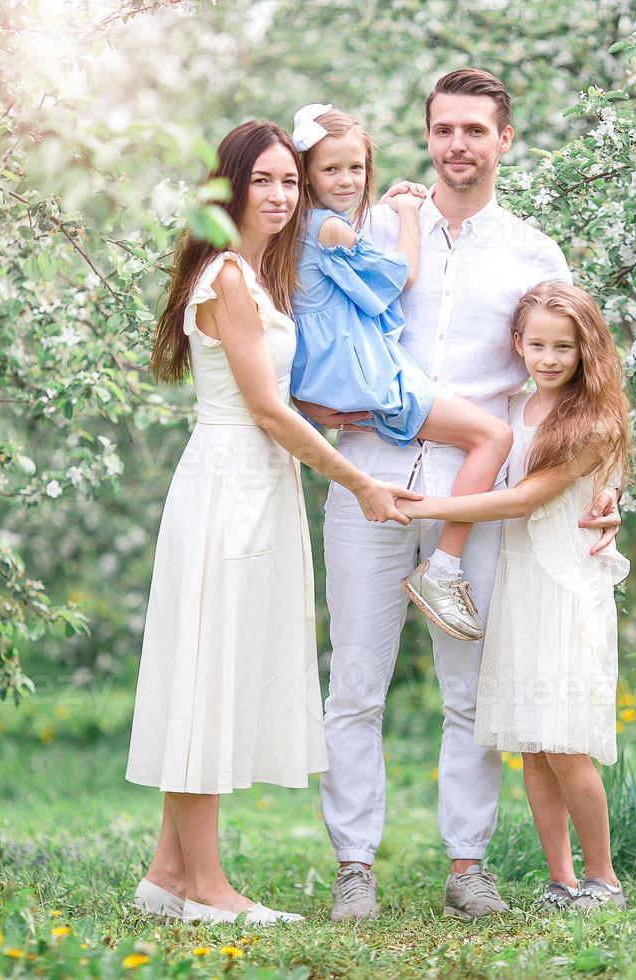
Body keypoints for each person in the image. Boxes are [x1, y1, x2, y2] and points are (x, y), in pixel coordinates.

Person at [295, 69, 622, 922]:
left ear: (504, 140)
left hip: (475, 498)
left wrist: (610, 483)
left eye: (476, 130)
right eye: (444, 130)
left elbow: (585, 385)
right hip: (367, 479)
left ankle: (468, 865)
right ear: (427, 136)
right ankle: (354, 866)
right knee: (355, 684)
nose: (459, 146)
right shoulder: (363, 230)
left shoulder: (534, 254)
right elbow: (309, 332)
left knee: (471, 692)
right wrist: (306, 405)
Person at [124, 121, 420, 927]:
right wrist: (359, 480)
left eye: (291, 181)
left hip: (257, 480)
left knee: (218, 663)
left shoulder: (257, 278)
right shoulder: (227, 275)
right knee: (208, 674)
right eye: (265, 181)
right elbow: (262, 408)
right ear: (229, 190)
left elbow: (279, 395)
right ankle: (206, 889)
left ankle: (165, 874)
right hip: (229, 483)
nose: (283, 196)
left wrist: (330, 412)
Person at [399, 281, 632, 913]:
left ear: (588, 350)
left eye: (565, 347)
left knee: (565, 739)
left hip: (563, 584)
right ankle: (559, 879)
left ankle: (603, 877)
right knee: (531, 740)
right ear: (518, 345)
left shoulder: (592, 420)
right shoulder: (516, 408)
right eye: (538, 345)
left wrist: (431, 507)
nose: (550, 358)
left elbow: (527, 499)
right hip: (517, 581)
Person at [288, 102, 512, 641]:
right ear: (307, 174)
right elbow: (400, 278)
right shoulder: (335, 230)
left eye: (356, 168)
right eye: (331, 169)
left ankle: (442, 561)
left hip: (345, 376)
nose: (347, 180)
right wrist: (410, 214)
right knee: (493, 434)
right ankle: (443, 569)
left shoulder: (310, 228)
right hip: (366, 374)